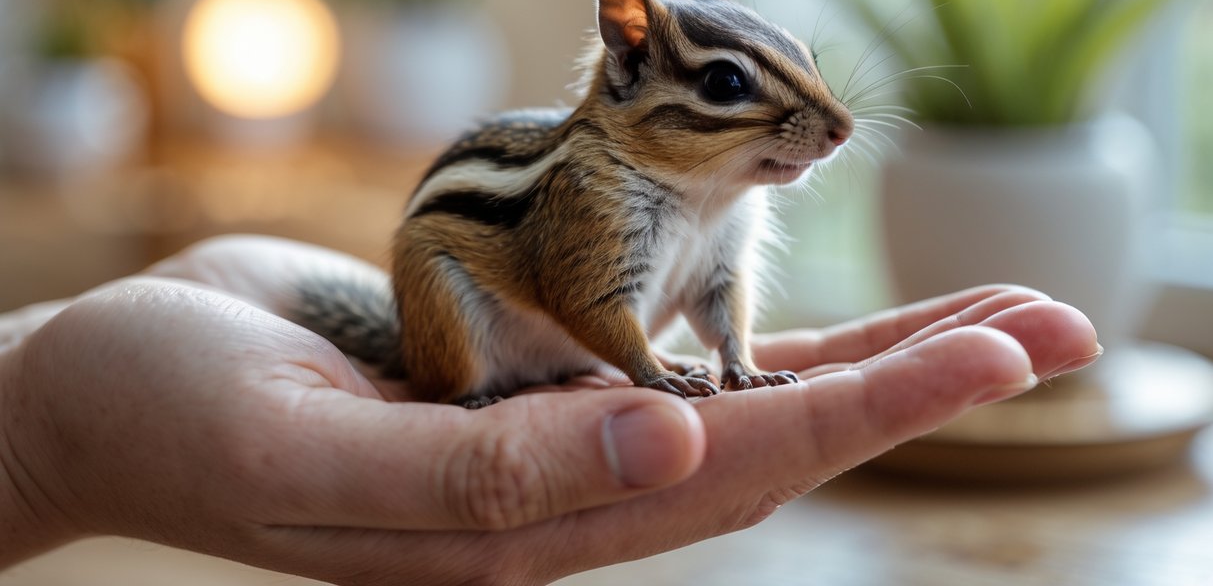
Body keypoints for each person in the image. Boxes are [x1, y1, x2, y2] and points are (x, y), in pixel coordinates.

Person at [0, 235, 1100, 584]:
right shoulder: (600, 191)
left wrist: (727, 358)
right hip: (477, 328)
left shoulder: (716, 208)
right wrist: (33, 429)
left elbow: (704, 301)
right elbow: (593, 295)